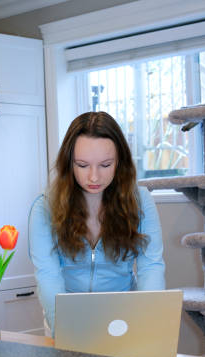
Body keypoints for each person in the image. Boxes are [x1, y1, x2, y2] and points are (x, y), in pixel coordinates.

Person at [28, 111, 165, 336]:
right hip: (67, 318)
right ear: (68, 163)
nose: (94, 177)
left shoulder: (141, 202)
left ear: (119, 161)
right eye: (82, 165)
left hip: (125, 318)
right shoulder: (44, 208)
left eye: (105, 165)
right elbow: (48, 277)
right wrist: (65, 331)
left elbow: (151, 268)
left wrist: (148, 327)